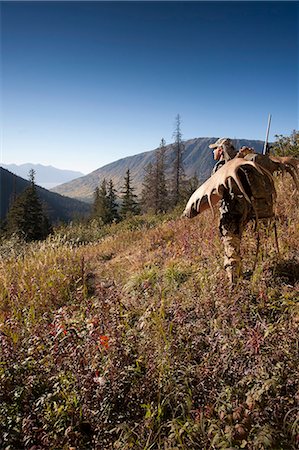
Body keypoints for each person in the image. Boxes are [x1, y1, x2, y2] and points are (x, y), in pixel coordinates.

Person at [208, 138, 255, 284]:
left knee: (230, 247)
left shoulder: (221, 167)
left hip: (230, 213)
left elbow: (217, 192)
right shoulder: (241, 165)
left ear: (221, 150)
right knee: (236, 243)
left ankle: (233, 286)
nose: (213, 152)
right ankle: (239, 274)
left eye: (215, 149)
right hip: (245, 211)